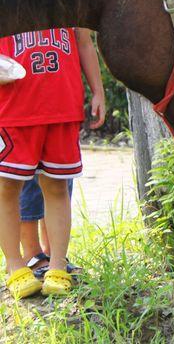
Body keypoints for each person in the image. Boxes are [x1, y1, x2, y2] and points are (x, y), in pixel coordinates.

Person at [0, 28, 105, 299]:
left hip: (62, 107)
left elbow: (83, 42)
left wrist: (98, 91)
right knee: (7, 188)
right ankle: (15, 267)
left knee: (58, 187)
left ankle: (57, 265)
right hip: (12, 109)